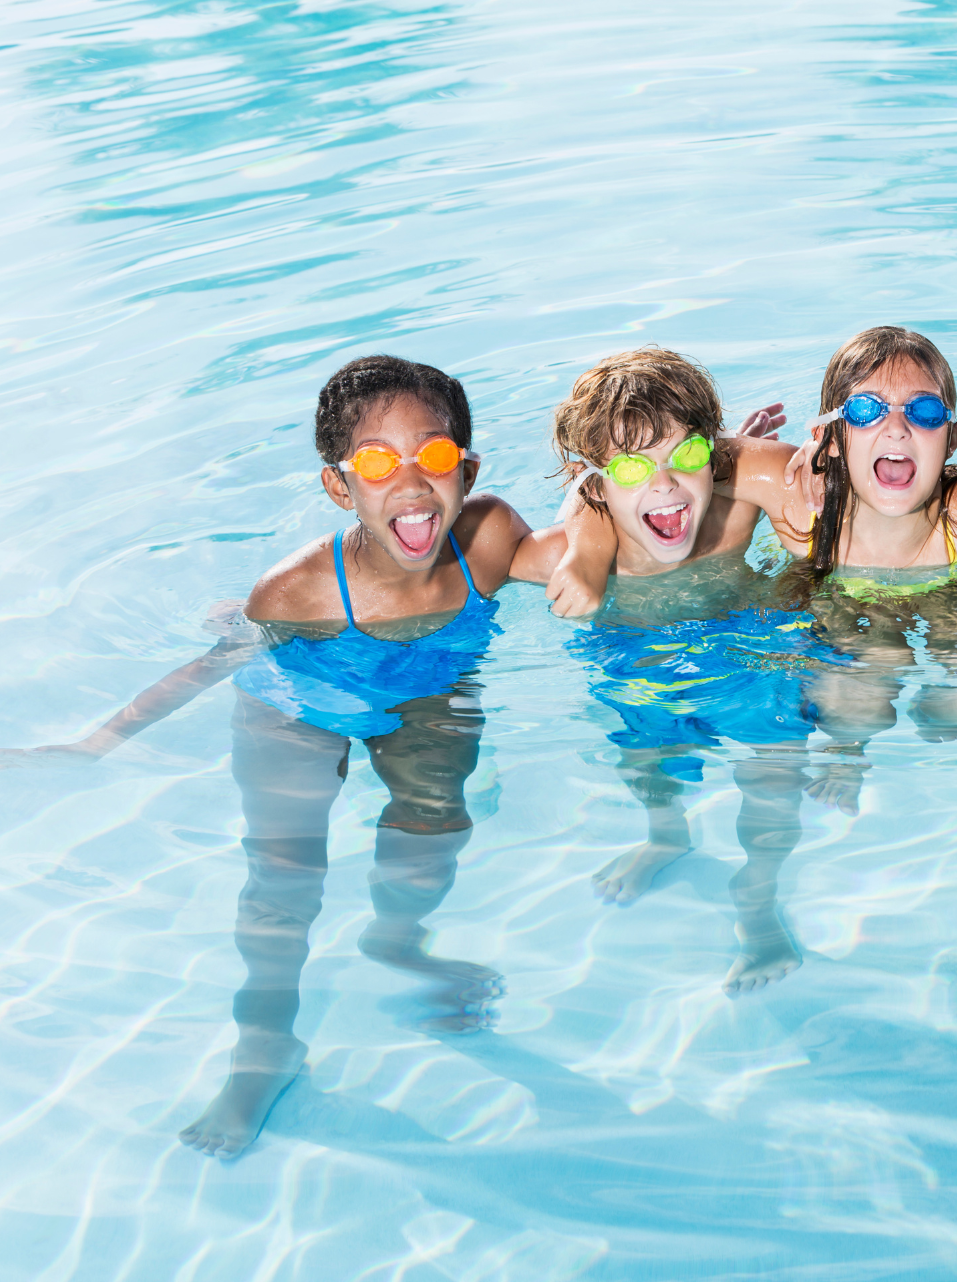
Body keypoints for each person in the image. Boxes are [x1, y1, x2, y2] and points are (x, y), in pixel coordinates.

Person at [6, 355, 546, 1157]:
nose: (409, 482)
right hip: (297, 706)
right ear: (340, 488)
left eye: (432, 456)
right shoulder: (295, 592)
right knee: (283, 883)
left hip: (426, 694)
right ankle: (263, 1053)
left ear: (465, 469)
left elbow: (592, 561)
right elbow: (214, 668)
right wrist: (97, 742)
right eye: (375, 462)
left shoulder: (491, 537)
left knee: (436, 825)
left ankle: (397, 941)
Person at [512, 348, 824, 995]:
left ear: (714, 452)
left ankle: (757, 893)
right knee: (647, 760)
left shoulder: (735, 506)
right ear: (594, 483)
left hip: (745, 644)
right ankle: (666, 835)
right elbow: (458, 568)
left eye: (685, 457)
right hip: (635, 653)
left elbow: (818, 497)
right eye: (633, 467)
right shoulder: (572, 557)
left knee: (778, 767)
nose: (664, 485)